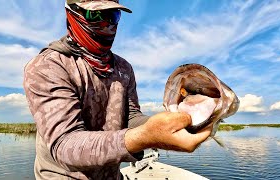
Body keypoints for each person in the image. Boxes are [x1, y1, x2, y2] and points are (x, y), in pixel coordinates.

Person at [23, 0, 213, 179]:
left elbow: (131, 117)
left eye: (113, 15)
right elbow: (65, 145)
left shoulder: (123, 68)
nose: (107, 24)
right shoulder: (48, 66)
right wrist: (148, 136)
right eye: (95, 15)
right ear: (72, 14)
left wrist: (174, 122)